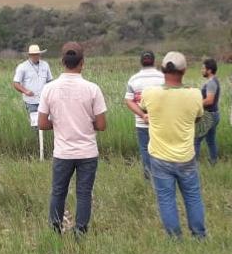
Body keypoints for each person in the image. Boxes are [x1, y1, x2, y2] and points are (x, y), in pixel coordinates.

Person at [38, 42, 107, 235]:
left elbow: (42, 123)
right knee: (84, 193)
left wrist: (59, 123)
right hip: (87, 151)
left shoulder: (49, 89)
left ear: (62, 62)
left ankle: (55, 229)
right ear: (82, 63)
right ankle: (80, 231)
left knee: (58, 192)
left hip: (63, 152)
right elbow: (101, 125)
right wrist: (86, 123)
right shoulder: (92, 89)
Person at [140, 51, 207, 239]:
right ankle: (199, 235)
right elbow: (198, 117)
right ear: (184, 70)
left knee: (166, 199)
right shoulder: (194, 94)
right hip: (186, 156)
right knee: (193, 197)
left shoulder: (150, 93)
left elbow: (145, 109)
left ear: (162, 69)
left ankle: (174, 237)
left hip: (160, 157)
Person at [124, 51, 164, 179]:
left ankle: (149, 177)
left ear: (141, 62)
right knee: (161, 150)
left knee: (145, 150)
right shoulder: (163, 78)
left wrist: (143, 115)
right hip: (161, 122)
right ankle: (162, 176)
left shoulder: (133, 79)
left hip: (142, 123)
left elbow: (129, 100)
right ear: (154, 61)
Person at [12, 44, 54, 119]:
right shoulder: (22, 66)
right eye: (33, 55)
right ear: (29, 55)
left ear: (40, 54)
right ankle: (35, 130)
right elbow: (16, 83)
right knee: (35, 124)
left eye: (37, 54)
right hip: (31, 101)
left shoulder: (45, 65)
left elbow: (50, 81)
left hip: (45, 100)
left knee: (47, 121)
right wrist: (25, 91)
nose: (35, 56)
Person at [193, 58, 221, 165]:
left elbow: (209, 100)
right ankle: (213, 162)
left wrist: (195, 104)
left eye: (203, 68)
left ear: (209, 70)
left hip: (208, 115)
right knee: (210, 140)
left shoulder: (211, 83)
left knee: (196, 140)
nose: (201, 70)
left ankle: (193, 165)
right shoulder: (213, 81)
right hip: (213, 114)